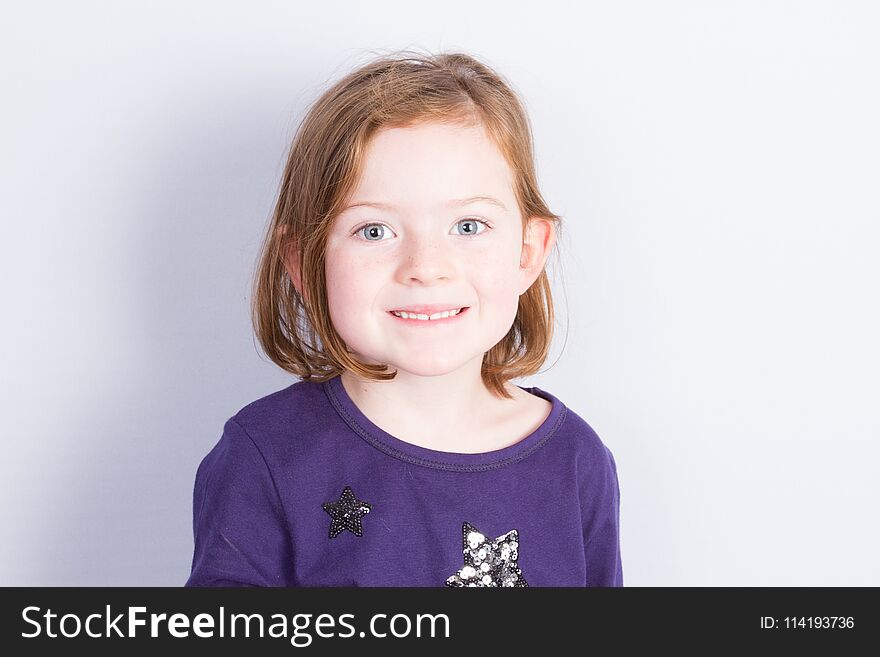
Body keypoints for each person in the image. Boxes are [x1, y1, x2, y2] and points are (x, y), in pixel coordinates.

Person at [184, 49, 623, 587]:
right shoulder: (266, 455)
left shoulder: (577, 462)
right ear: (305, 262)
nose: (426, 268)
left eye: (468, 225)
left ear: (528, 250)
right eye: (374, 231)